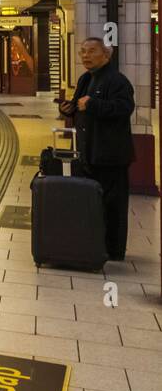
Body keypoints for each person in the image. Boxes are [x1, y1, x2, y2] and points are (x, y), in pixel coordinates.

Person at [58, 38, 135, 260]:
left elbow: (124, 108)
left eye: (92, 51)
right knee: (90, 201)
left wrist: (92, 105)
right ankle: (93, 243)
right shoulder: (85, 79)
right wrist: (68, 110)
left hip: (111, 155)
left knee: (113, 205)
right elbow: (78, 105)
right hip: (88, 152)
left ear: (106, 55)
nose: (85, 56)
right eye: (82, 52)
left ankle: (114, 250)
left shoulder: (117, 81)